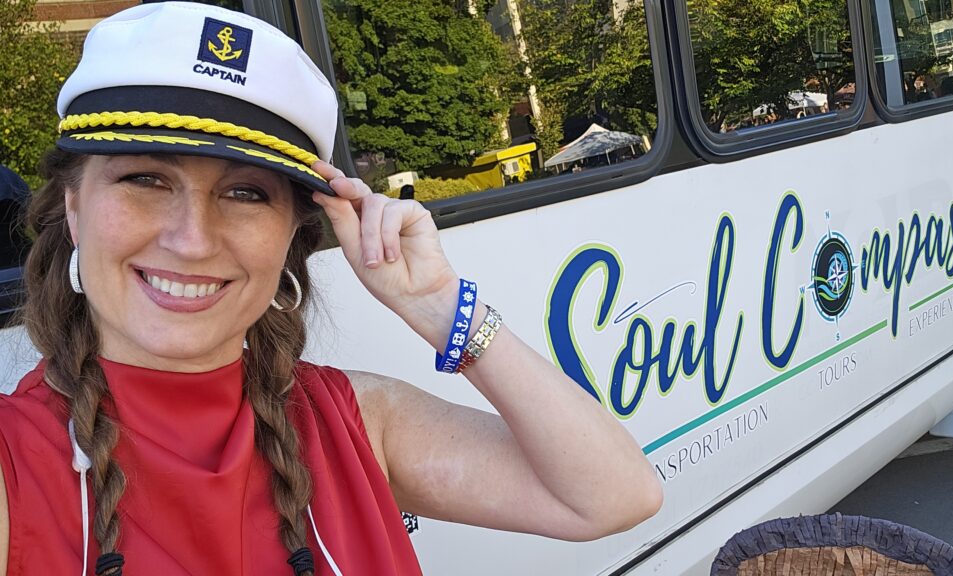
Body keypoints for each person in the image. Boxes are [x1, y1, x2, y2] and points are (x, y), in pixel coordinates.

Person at [0, 3, 661, 575]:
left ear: (292, 233)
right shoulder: (14, 459)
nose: (193, 239)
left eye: (244, 193)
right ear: (74, 208)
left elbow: (614, 496)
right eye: (145, 180)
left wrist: (440, 308)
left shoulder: (352, 421)